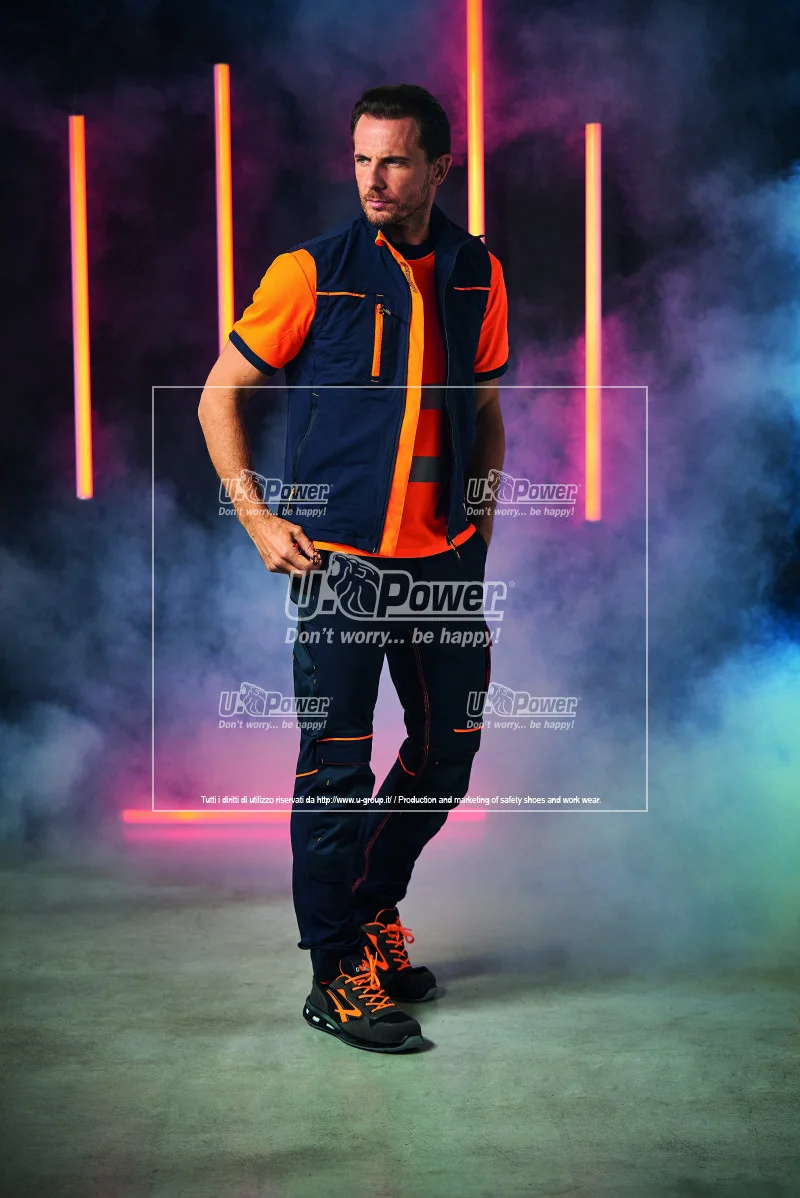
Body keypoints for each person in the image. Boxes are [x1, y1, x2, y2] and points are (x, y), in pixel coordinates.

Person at [198, 83, 509, 1053]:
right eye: (362, 158)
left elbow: (486, 416)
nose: (373, 178)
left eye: (395, 160)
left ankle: (371, 911)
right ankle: (333, 975)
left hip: (441, 565)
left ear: (439, 168)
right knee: (335, 772)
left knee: (446, 753)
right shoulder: (309, 273)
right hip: (339, 566)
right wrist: (256, 517)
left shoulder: (478, 273)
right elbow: (217, 395)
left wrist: (476, 528)